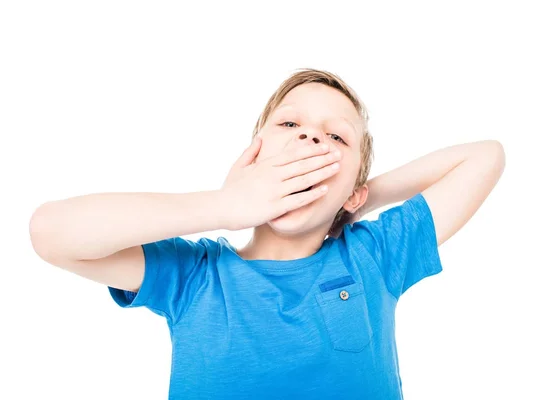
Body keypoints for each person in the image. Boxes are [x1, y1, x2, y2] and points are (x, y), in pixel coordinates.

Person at [29, 68, 506, 399]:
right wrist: (223, 206)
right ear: (253, 159)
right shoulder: (195, 276)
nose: (311, 139)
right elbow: (51, 232)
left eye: (336, 138)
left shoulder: (372, 257)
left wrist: (353, 198)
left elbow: (485, 157)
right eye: (290, 124)